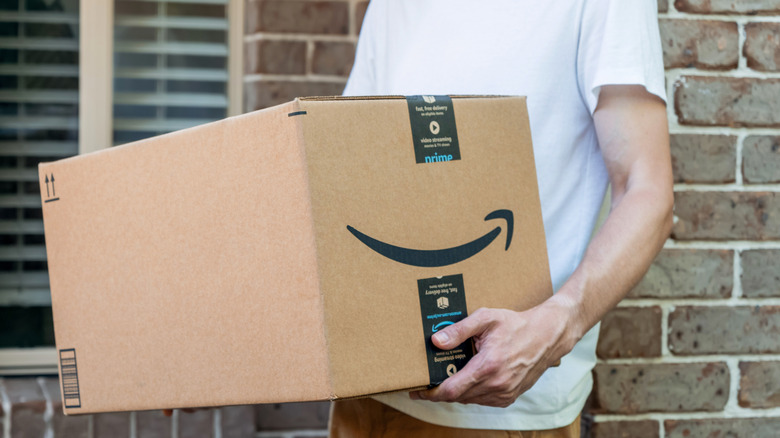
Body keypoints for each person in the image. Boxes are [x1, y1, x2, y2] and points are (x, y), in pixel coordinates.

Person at [330, 1, 673, 436]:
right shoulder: (391, 7)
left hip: (498, 409)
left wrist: (557, 326)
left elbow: (647, 191)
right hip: (365, 394)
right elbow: (354, 160)